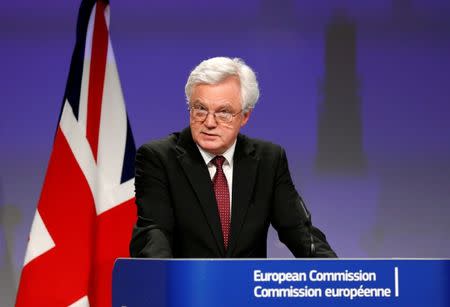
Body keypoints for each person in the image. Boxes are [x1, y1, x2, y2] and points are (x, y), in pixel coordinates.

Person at [130, 57, 337, 258]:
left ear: (245, 116)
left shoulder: (269, 160)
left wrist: (340, 277)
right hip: (186, 289)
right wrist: (165, 286)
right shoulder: (158, 158)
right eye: (200, 109)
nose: (209, 122)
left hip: (246, 290)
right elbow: (154, 235)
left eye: (224, 112)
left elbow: (299, 232)